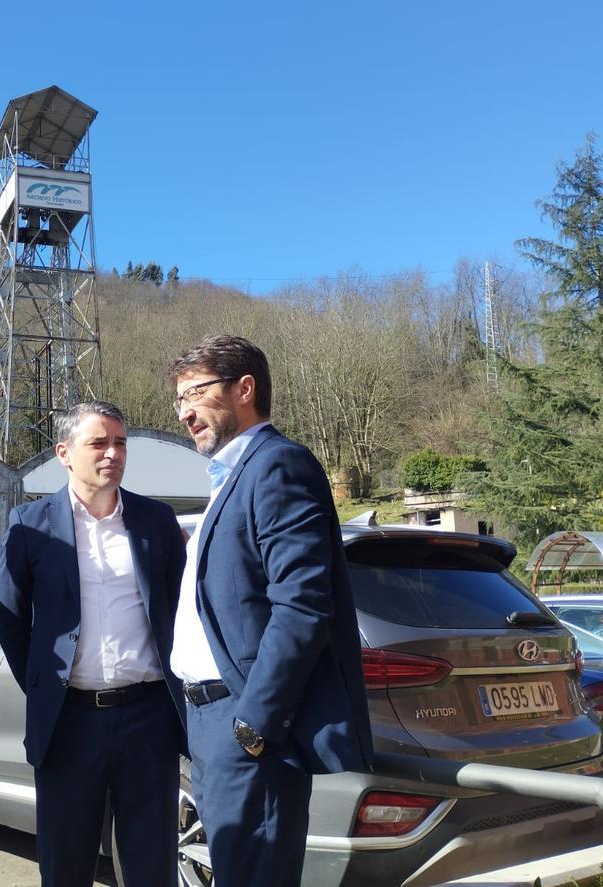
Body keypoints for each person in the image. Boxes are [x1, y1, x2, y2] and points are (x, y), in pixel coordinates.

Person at [168, 335, 374, 886]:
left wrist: (255, 722)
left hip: (243, 725)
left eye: (196, 393)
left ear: (245, 388)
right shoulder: (231, 477)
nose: (185, 412)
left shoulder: (277, 465)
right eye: (178, 400)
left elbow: (303, 604)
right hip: (210, 722)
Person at [0, 401, 187, 887]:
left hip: (147, 719)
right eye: (98, 443)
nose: (112, 453)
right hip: (68, 722)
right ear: (64, 452)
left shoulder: (156, 522)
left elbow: (180, 614)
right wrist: (47, 689)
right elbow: (11, 624)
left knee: (151, 867)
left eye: (120, 443)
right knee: (65, 866)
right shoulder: (29, 525)